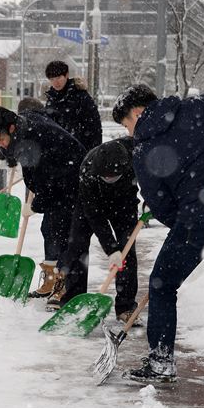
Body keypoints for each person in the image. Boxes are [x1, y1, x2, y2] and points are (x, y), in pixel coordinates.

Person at [111, 84, 204, 385]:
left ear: (137, 113)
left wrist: (185, 221)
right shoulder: (196, 106)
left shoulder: (143, 149)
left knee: (162, 285)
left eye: (127, 124)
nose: (128, 133)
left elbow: (161, 205)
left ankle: (161, 359)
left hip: (195, 219)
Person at [0, 105, 86, 309]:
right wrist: (7, 152)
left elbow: (46, 184)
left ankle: (67, 288)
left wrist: (35, 205)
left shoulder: (32, 140)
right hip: (60, 175)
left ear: (11, 128)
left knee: (65, 233)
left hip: (72, 179)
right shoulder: (23, 123)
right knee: (49, 228)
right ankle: (51, 279)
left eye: (1, 139)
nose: (0, 144)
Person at [54, 137, 140, 320]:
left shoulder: (136, 155)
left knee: (127, 250)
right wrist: (111, 249)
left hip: (125, 204)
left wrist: (151, 201)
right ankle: (74, 300)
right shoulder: (88, 169)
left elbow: (154, 178)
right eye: (105, 176)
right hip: (91, 203)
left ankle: (126, 306)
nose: (108, 178)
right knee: (76, 246)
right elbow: (94, 215)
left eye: (111, 176)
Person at [43, 60, 102, 152]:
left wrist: (93, 154)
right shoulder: (51, 100)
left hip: (80, 151)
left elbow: (94, 127)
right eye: (52, 79)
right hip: (57, 154)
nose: (56, 82)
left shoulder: (81, 97)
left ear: (66, 75)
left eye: (58, 77)